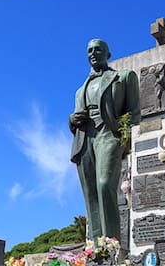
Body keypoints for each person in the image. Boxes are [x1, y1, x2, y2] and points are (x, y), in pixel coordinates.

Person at [69, 39, 140, 243]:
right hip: (85, 139)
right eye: (89, 50)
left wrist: (124, 139)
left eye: (97, 49)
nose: (93, 53)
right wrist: (71, 120)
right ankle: (95, 246)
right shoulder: (79, 90)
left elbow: (135, 113)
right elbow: (76, 117)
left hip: (109, 134)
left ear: (108, 53)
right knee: (90, 193)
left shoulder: (124, 77)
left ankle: (110, 245)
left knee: (104, 184)